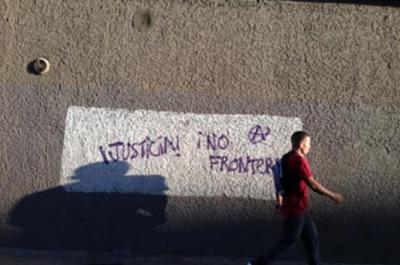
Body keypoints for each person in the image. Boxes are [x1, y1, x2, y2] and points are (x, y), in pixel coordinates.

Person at [248, 131, 343, 265]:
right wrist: (332, 195)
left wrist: (279, 198)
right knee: (287, 242)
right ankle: (256, 263)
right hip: (295, 209)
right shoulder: (299, 161)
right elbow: (312, 184)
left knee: (312, 238)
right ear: (301, 145)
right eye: (308, 144)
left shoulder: (286, 157)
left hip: (300, 208)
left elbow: (278, 180)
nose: (310, 147)